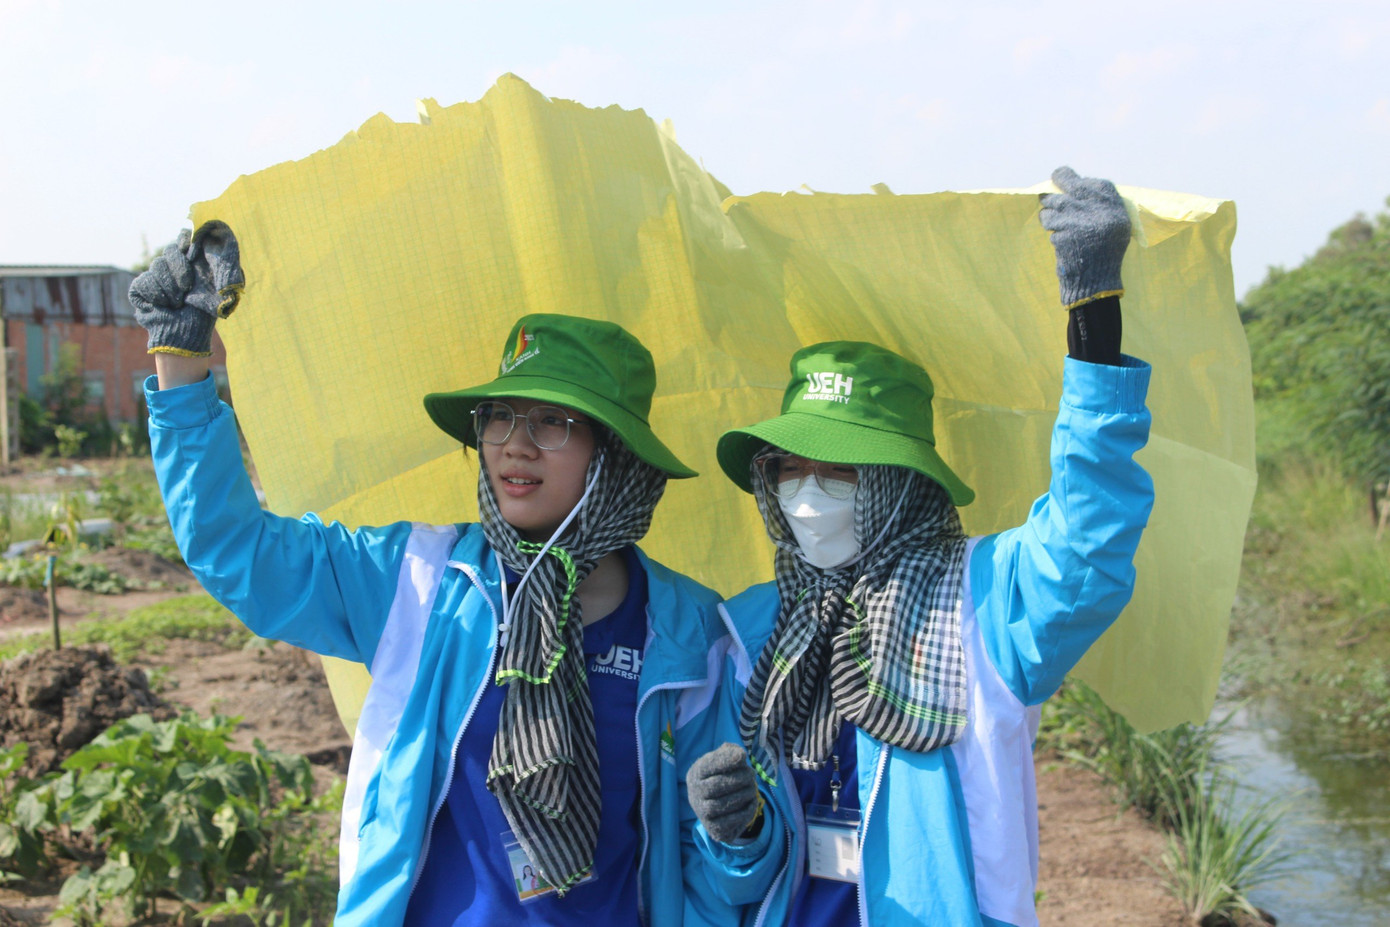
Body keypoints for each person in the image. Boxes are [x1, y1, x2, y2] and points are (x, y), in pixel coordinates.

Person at [128, 236, 789, 926]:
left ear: (615, 456)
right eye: (500, 416)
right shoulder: (421, 582)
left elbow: (714, 874)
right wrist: (181, 361)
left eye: (553, 422)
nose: (515, 444)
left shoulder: (688, 633)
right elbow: (240, 553)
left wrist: (742, 832)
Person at [685, 167, 1155, 925]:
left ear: (901, 485)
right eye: (788, 470)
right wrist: (735, 833)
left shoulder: (984, 602)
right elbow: (738, 885)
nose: (805, 495)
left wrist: (1094, 313)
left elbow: (1088, 543)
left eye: (840, 471)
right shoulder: (753, 630)